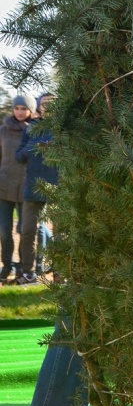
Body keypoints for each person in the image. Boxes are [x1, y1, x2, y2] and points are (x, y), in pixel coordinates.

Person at [14, 92, 58, 285]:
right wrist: (29, 149)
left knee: (61, 231)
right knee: (27, 231)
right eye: (44, 103)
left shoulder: (62, 129)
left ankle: (60, 272)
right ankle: (29, 273)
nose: (47, 106)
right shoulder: (31, 128)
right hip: (32, 186)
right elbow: (19, 156)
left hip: (58, 186)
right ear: (39, 106)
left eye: (52, 103)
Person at [0, 94, 33, 283]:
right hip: (3, 187)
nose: (20, 112)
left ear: (30, 111)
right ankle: (6, 266)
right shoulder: (2, 131)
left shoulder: (33, 131)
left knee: (24, 230)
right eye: (17, 108)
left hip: (25, 188)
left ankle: (23, 267)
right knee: (4, 231)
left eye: (24, 109)